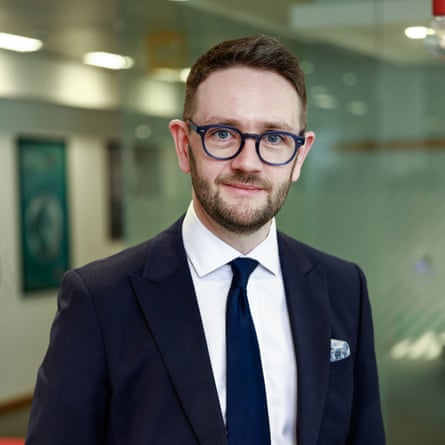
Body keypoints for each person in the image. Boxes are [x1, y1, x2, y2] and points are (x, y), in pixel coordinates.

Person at [25, 35, 386, 445]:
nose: (248, 162)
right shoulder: (100, 300)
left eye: (274, 138)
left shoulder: (343, 288)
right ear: (184, 144)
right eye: (222, 133)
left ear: (300, 155)